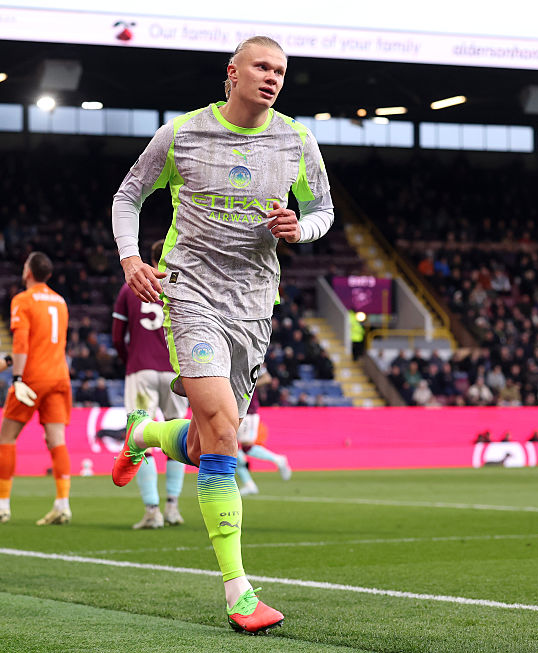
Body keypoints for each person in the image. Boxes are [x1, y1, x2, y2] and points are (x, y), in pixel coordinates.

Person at [110, 35, 333, 634]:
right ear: (232, 72)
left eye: (281, 71)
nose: (272, 77)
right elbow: (129, 194)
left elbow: (324, 210)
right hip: (191, 294)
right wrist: (132, 260)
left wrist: (299, 228)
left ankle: (147, 433)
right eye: (261, 67)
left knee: (215, 438)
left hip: (256, 304)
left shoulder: (297, 141)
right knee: (225, 432)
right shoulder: (182, 133)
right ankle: (239, 593)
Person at [0, 252, 74, 526]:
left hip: (32, 379)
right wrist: (5, 362)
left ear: (28, 271)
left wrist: (16, 377)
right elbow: (45, 343)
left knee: (6, 437)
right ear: (47, 274)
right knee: (57, 441)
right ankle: (62, 505)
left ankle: (1, 504)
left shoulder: (23, 300)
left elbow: (24, 343)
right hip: (60, 377)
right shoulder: (60, 302)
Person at [112, 239, 188, 530]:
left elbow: (117, 336)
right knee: (175, 435)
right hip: (175, 372)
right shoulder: (180, 286)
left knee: (139, 437)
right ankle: (172, 507)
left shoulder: (130, 286)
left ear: (150, 257)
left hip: (141, 371)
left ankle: (152, 510)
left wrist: (129, 360)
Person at [233, 392, 291, 496]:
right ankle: (249, 484)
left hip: (247, 412)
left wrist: (251, 383)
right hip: (234, 411)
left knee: (247, 447)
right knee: (231, 450)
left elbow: (266, 378)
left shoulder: (247, 376)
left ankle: (278, 459)